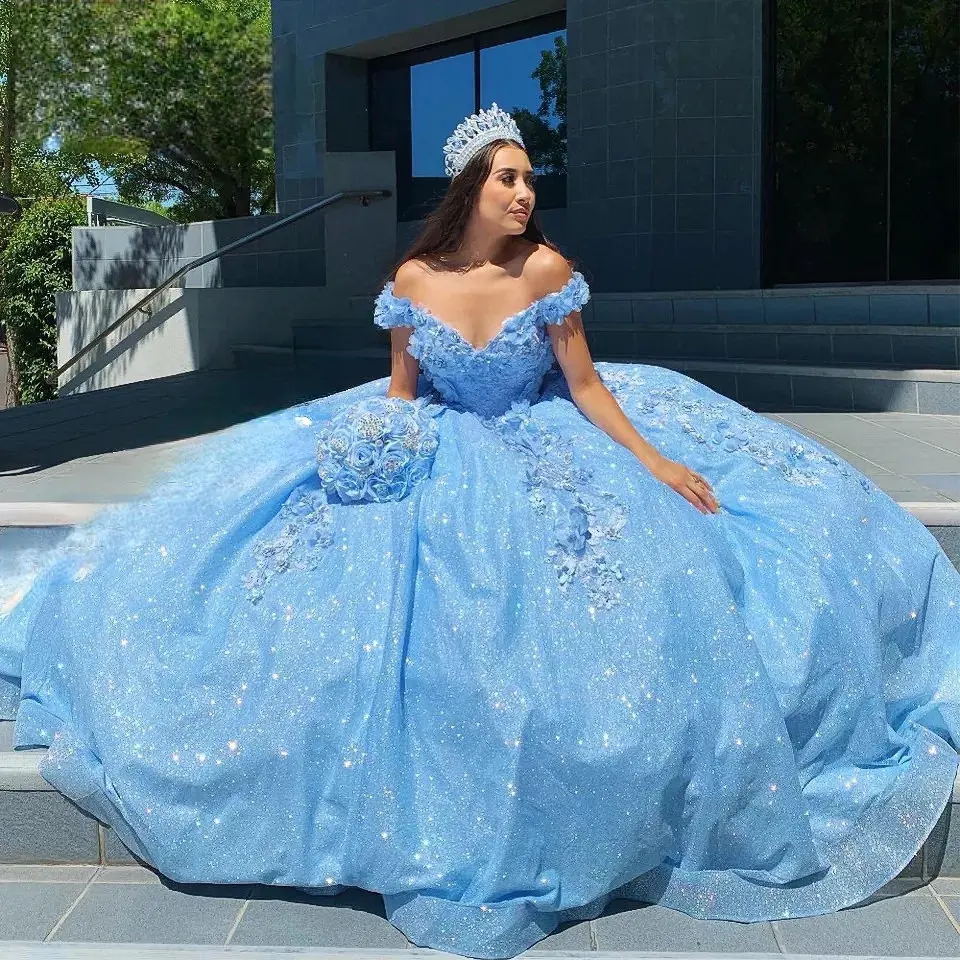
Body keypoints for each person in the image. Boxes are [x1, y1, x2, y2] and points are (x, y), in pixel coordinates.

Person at [1, 103, 959, 960]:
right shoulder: (413, 279)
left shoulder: (548, 271)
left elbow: (585, 387)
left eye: (530, 177)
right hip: (446, 442)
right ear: (468, 188)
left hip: (549, 436)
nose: (525, 193)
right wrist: (376, 447)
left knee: (624, 571)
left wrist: (657, 462)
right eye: (509, 176)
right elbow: (403, 395)